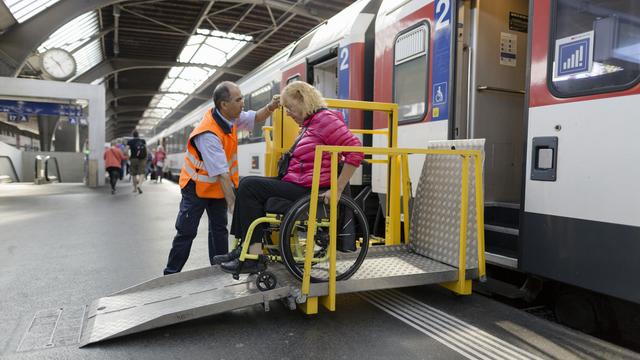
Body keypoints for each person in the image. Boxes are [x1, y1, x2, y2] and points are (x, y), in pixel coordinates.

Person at [215, 81, 364, 273]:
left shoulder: (325, 120)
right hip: (298, 184)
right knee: (246, 187)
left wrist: (338, 189)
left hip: (309, 190)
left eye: (290, 108)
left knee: (250, 185)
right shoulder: (309, 123)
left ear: (303, 100)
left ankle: (253, 256)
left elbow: (355, 151)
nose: (287, 113)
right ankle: (245, 250)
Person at [163, 81, 281, 275]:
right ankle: (171, 273)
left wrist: (271, 107)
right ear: (224, 105)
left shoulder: (232, 118)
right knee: (186, 232)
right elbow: (222, 174)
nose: (243, 103)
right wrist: (234, 205)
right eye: (239, 99)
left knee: (219, 229)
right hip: (196, 187)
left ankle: (219, 271)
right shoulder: (208, 133)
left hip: (215, 187)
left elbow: (256, 117)